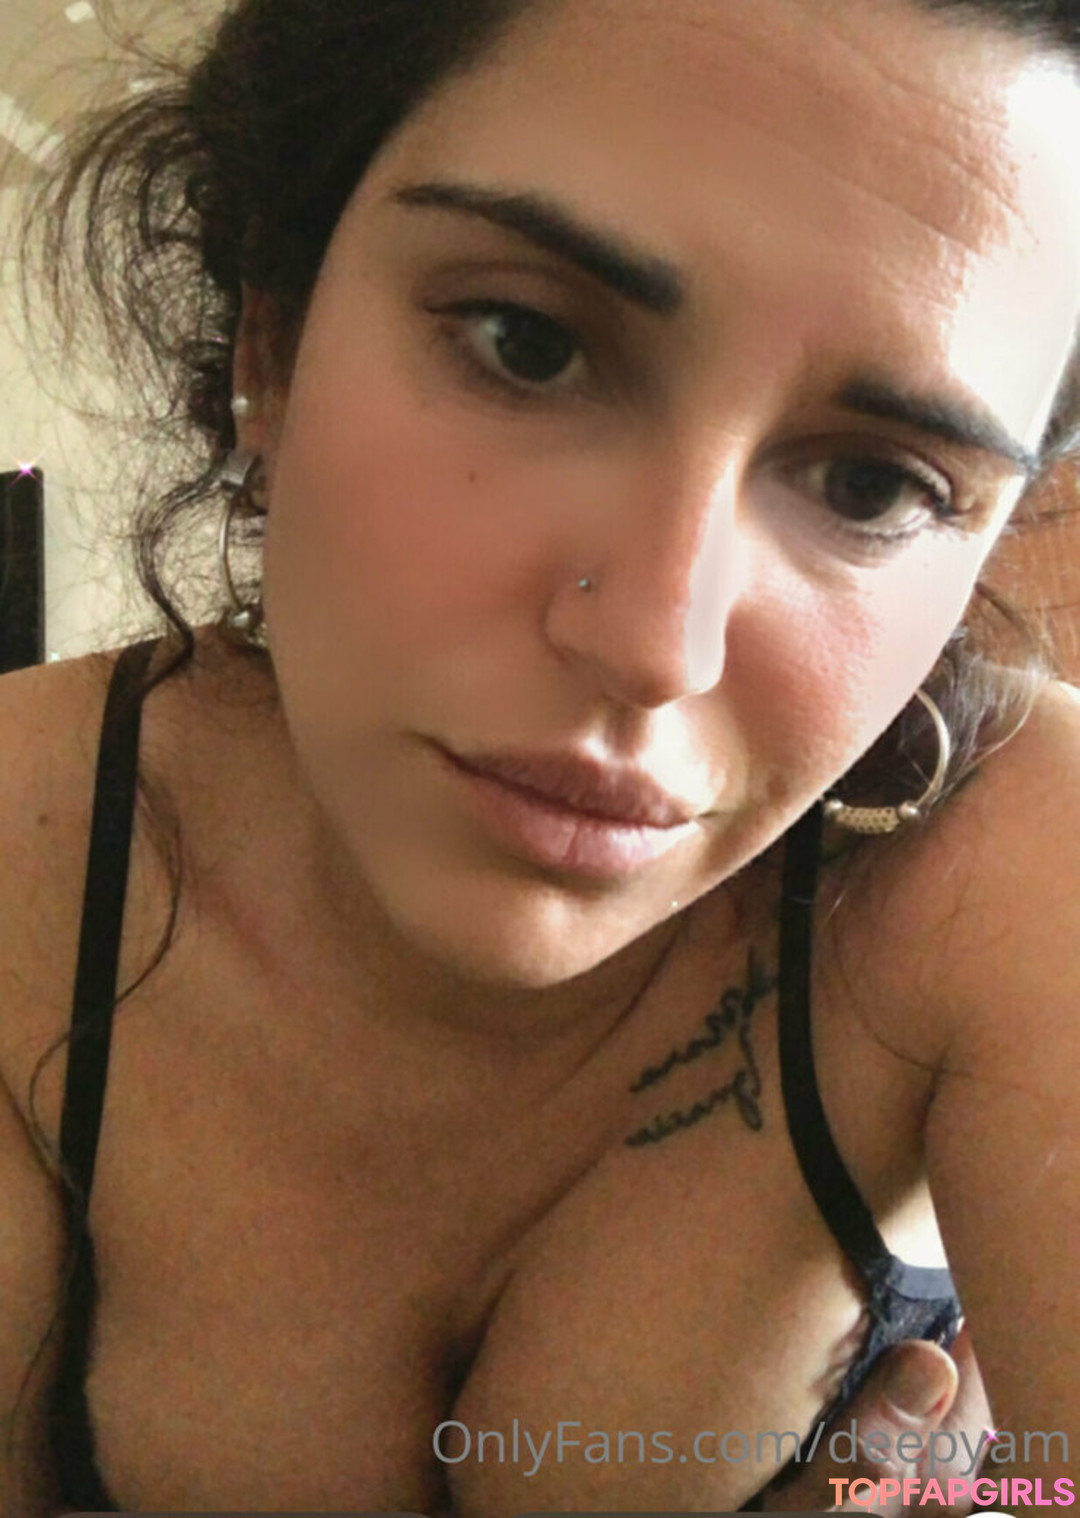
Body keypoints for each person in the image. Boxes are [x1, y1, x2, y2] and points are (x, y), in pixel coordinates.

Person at [1, 0, 1078, 1511]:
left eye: (872, 483)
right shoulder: (26, 858)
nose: (657, 643)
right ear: (272, 335)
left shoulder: (1013, 876)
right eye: (530, 343)